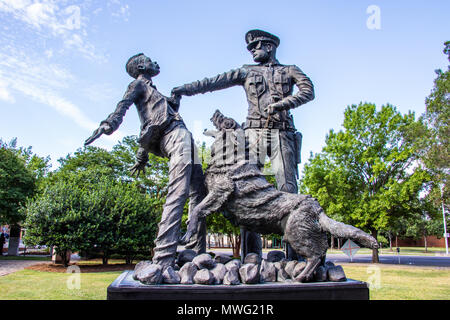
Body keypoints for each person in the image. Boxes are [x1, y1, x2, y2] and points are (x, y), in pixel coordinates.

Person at [172, 29, 315, 259]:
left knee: (287, 188)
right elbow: (214, 82)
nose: (252, 52)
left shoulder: (290, 70)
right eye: (250, 49)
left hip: (282, 133)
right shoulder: (247, 72)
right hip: (252, 135)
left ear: (269, 47)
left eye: (256, 47)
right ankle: (252, 256)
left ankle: (295, 256)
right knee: (246, 191)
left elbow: (309, 91)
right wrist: (184, 89)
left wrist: (284, 104)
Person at [85, 53, 207, 270]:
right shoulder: (138, 85)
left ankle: (195, 252)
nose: (156, 62)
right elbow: (122, 107)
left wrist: (174, 102)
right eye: (150, 60)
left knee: (199, 191)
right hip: (174, 136)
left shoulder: (156, 91)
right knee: (178, 191)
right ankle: (163, 257)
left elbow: (155, 116)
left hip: (183, 136)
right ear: (141, 66)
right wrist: (108, 125)